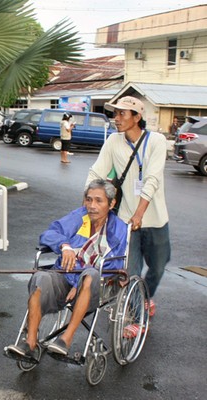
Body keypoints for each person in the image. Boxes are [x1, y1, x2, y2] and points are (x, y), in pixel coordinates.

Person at [6, 179, 128, 358]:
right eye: (88, 199)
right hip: (66, 276)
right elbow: (49, 234)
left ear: (112, 204)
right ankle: (30, 342)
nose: (91, 206)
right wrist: (65, 246)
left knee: (90, 274)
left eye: (98, 201)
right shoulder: (79, 217)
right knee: (41, 277)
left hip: (94, 285)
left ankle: (66, 339)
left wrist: (79, 284)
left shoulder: (118, 229)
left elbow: (114, 265)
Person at [86, 96, 168, 318]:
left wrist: (140, 213)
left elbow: (152, 179)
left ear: (137, 117)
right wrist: (87, 199)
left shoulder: (157, 141)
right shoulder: (114, 141)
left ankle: (144, 297)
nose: (117, 118)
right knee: (129, 272)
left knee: (159, 266)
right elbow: (97, 172)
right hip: (125, 220)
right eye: (115, 113)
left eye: (122, 113)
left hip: (155, 218)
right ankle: (135, 315)